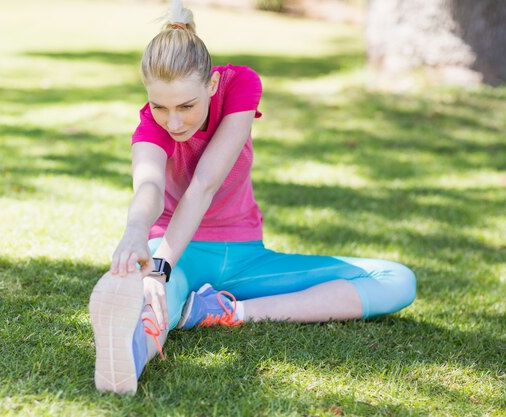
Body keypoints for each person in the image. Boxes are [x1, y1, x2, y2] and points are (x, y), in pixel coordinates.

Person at [88, 0, 416, 395]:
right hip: (176, 252)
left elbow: (204, 185)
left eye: (186, 107)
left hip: (246, 256)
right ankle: (124, 361)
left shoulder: (240, 85)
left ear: (210, 85)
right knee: (155, 305)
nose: (173, 122)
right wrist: (139, 234)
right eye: (160, 106)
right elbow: (149, 187)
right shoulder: (150, 127)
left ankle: (221, 311)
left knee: (398, 280)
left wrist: (158, 269)